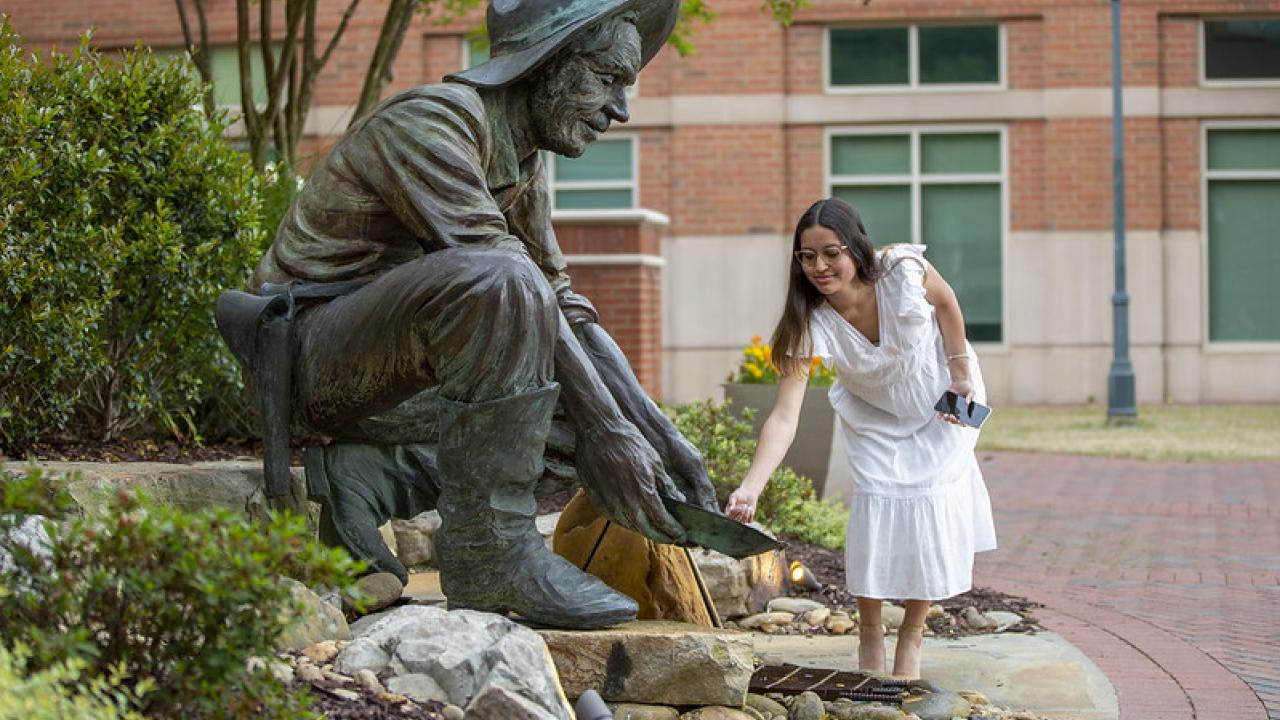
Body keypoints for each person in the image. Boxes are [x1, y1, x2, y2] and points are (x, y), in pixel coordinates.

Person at [218, 0, 719, 630]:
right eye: (607, 78)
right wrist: (607, 429)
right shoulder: (433, 122)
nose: (619, 108)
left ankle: (360, 480)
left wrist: (657, 434)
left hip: (390, 378)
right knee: (506, 283)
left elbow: (566, 309)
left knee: (574, 409)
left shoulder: (522, 161)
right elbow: (505, 279)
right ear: (545, 63)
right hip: (305, 362)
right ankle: (492, 558)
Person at [724, 197, 997, 680]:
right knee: (876, 510)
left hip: (940, 402)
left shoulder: (902, 271)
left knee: (929, 509)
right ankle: (869, 630)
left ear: (855, 248)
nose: (819, 267)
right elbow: (784, 419)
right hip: (875, 419)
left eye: (831, 253)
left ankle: (912, 632)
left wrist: (959, 371)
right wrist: (751, 486)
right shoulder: (808, 324)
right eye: (807, 257)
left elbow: (948, 301)